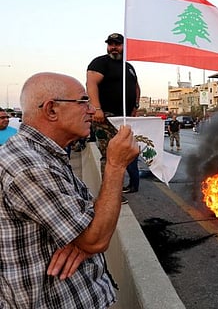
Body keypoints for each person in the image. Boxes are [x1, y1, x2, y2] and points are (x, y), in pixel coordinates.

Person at [0, 72, 139, 308]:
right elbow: (94, 239)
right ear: (52, 110)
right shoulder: (29, 166)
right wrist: (115, 166)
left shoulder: (44, 154)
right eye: (83, 101)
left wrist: (81, 242)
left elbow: (86, 229)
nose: (92, 109)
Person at [87, 33, 141, 199]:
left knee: (125, 154)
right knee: (110, 156)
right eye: (111, 44)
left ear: (124, 46)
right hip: (106, 118)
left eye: (117, 44)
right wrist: (96, 108)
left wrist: (135, 106)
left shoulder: (129, 67)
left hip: (124, 118)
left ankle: (120, 187)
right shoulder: (100, 63)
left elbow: (136, 87)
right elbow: (91, 83)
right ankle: (110, 195)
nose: (114, 47)